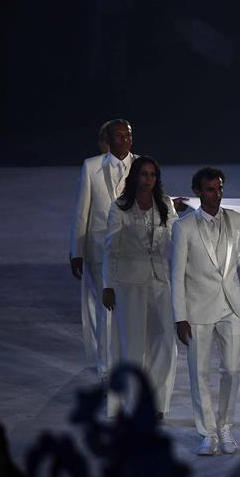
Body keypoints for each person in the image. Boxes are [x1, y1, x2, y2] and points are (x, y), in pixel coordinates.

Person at [171, 167, 240, 455]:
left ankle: (225, 426)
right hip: (197, 310)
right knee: (199, 373)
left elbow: (238, 259)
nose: (216, 195)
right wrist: (179, 316)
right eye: (209, 189)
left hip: (231, 307)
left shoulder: (234, 219)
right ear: (197, 192)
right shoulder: (183, 227)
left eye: (219, 189)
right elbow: (177, 274)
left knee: (232, 369)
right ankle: (207, 433)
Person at [102, 156, 178, 418]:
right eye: (144, 174)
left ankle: (157, 403)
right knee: (133, 346)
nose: (148, 179)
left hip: (160, 281)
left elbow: (176, 236)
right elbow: (110, 249)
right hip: (129, 284)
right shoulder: (120, 207)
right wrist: (107, 285)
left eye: (153, 175)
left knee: (165, 342)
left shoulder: (165, 204)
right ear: (135, 177)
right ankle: (134, 404)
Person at [70, 119, 136, 388]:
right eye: (119, 136)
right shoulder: (91, 166)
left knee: (131, 307)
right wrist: (77, 250)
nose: (125, 140)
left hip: (134, 250)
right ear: (109, 140)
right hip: (100, 249)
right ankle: (107, 365)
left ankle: (130, 360)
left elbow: (156, 201)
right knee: (106, 307)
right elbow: (81, 211)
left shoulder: (143, 166)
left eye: (128, 135)